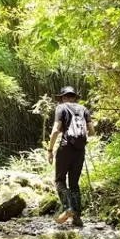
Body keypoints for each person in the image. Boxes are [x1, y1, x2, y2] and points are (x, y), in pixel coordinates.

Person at [47, 86, 95, 227]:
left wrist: (50, 150)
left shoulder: (61, 108)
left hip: (66, 148)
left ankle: (68, 208)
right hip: (79, 150)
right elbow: (92, 132)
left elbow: (56, 130)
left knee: (60, 180)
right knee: (74, 184)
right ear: (74, 97)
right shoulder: (83, 110)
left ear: (62, 97)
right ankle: (77, 218)